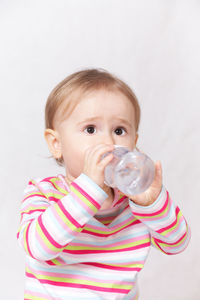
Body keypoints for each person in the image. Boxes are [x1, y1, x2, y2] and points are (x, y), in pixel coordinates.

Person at [17, 68, 191, 300]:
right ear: (56, 143)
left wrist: (153, 203)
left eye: (119, 131)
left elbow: (176, 244)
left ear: (134, 142)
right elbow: (38, 248)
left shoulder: (136, 201)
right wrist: (89, 190)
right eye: (90, 130)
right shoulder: (43, 193)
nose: (108, 142)